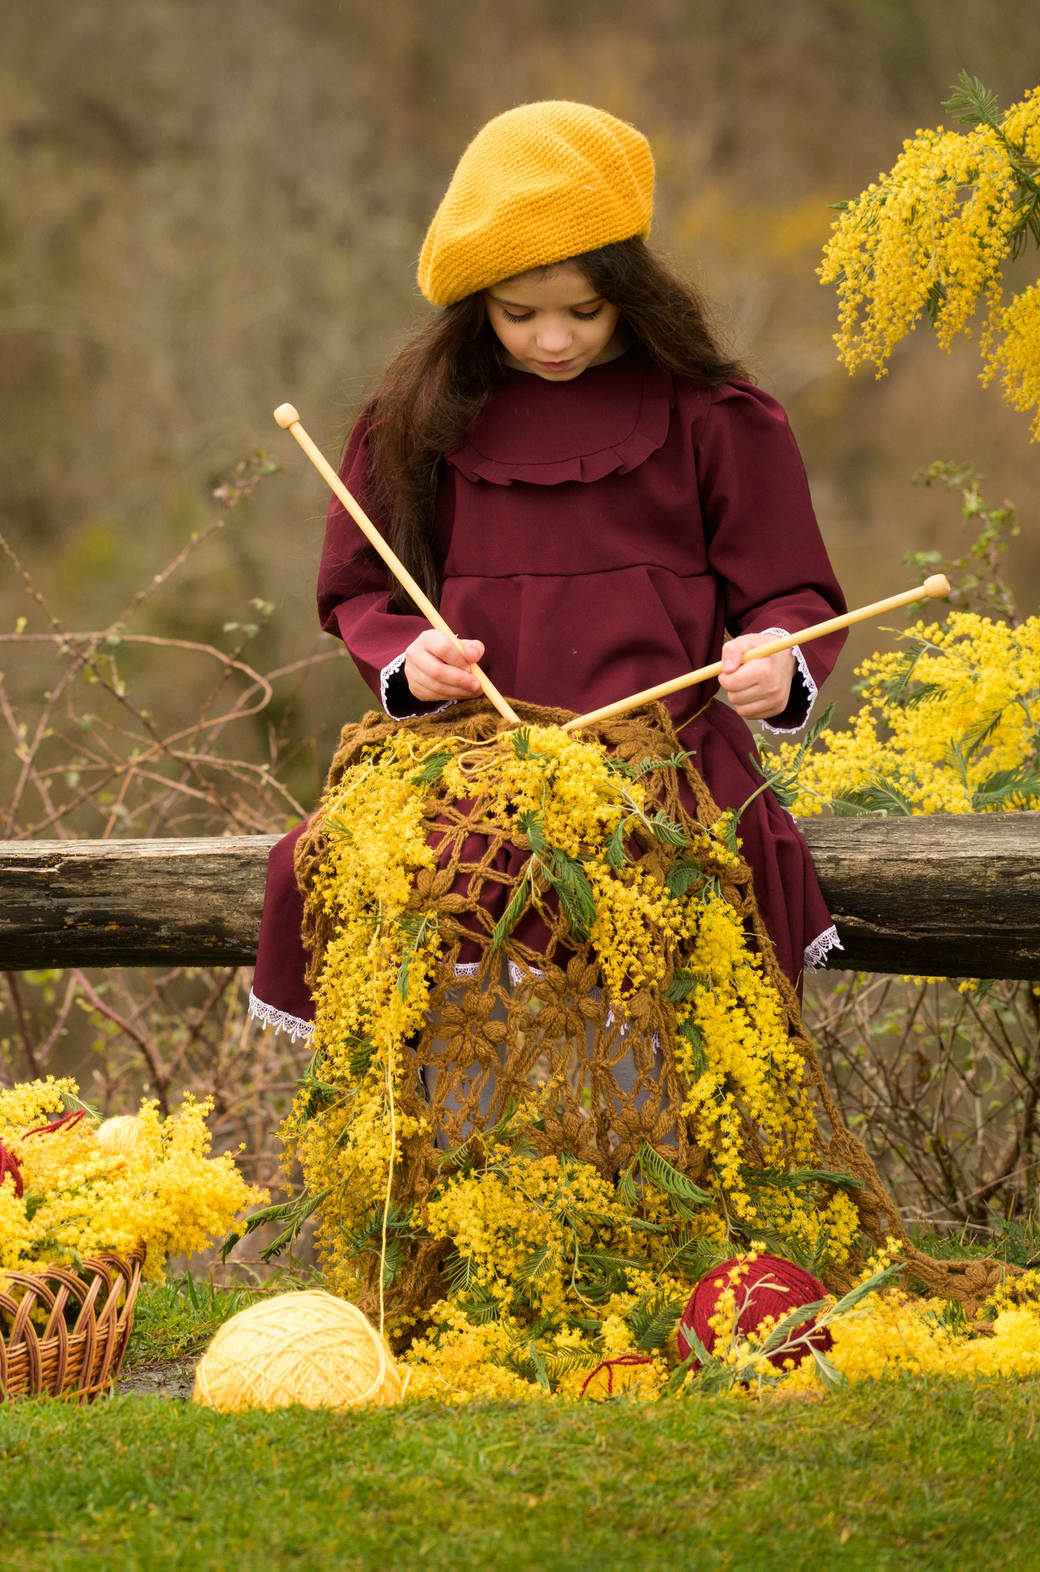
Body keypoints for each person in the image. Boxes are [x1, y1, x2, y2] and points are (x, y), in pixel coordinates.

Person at [250, 100, 846, 1042]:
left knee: (674, 1002)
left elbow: (790, 592)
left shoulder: (714, 417)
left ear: (632, 292)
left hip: (668, 763)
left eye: (585, 311)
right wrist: (413, 662)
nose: (554, 340)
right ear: (476, 302)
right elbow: (360, 587)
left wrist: (779, 656)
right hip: (476, 761)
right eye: (519, 313)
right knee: (383, 891)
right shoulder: (416, 416)